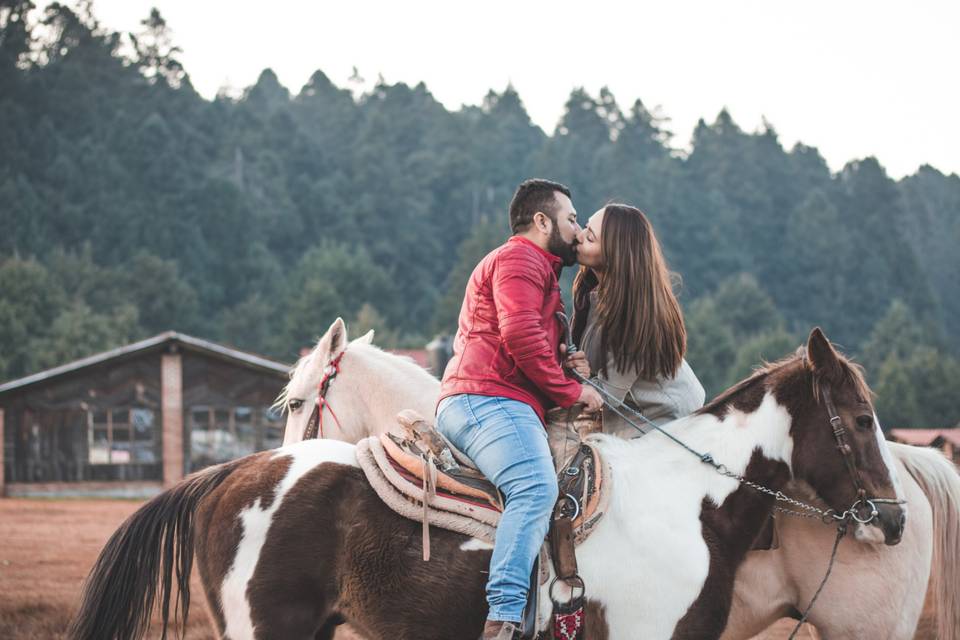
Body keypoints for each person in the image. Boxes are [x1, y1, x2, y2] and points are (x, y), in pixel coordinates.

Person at [436, 179, 603, 640]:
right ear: (542, 221)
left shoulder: (541, 273)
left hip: (493, 397)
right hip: (487, 399)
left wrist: (566, 368)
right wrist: (573, 394)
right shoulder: (519, 259)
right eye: (571, 219)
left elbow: (526, 343)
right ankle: (504, 619)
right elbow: (520, 338)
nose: (577, 229)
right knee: (533, 487)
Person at [569, 203, 705, 439]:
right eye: (585, 227)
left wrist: (573, 378)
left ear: (614, 256)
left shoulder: (632, 316)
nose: (578, 237)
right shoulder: (595, 293)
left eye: (590, 238)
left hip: (667, 419)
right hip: (637, 417)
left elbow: (607, 397)